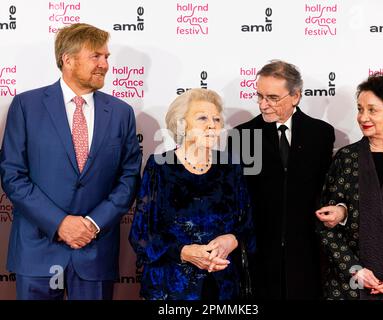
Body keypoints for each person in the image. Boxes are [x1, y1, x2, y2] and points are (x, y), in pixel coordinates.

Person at [0, 23, 142, 300]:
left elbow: (128, 178)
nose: (104, 64)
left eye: (106, 57)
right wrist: (60, 223)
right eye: (96, 56)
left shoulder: (121, 113)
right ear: (68, 59)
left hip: (94, 250)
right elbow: (12, 174)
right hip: (38, 249)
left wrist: (92, 223)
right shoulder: (26, 106)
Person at [129, 88, 254, 300]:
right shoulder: (159, 167)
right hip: (170, 287)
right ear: (181, 124)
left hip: (223, 287)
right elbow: (142, 234)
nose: (212, 125)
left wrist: (232, 240)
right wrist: (183, 251)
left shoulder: (231, 167)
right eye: (202, 118)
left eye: (216, 119)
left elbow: (247, 227)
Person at [231, 60, 335, 299]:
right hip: (260, 253)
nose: (263, 105)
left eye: (272, 98)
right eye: (259, 96)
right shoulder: (242, 135)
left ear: (295, 96)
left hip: (307, 252)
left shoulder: (321, 133)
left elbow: (325, 190)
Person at [315, 74, 383, 300]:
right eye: (360, 109)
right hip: (348, 284)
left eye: (372, 110)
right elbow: (325, 224)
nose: (363, 117)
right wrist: (355, 269)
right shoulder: (346, 158)